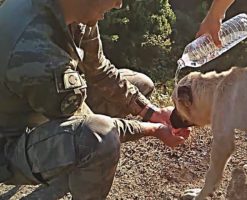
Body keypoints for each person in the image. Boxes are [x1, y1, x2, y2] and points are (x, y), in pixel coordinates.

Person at [0, 0, 190, 199]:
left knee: (140, 84)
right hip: (8, 146)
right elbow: (94, 129)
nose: (119, 4)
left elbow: (99, 69)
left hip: (35, 104)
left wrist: (151, 112)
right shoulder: (36, 53)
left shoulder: (76, 12)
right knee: (98, 141)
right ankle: (62, 174)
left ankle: (66, 172)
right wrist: (154, 129)